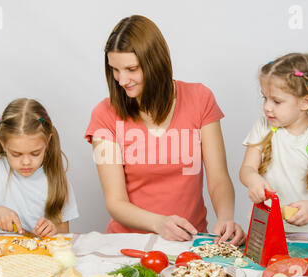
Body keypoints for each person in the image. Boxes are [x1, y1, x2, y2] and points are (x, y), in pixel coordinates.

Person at [85, 15, 245, 244]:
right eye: (115, 70)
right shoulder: (104, 114)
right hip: (128, 244)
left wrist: (226, 218)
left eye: (131, 69)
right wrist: (159, 223)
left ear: (155, 63)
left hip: (190, 240)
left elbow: (219, 178)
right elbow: (115, 202)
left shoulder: (201, 99)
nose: (121, 80)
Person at [239, 53, 308, 238]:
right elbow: (247, 169)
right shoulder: (262, 127)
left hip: (304, 233)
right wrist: (253, 180)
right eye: (264, 98)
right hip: (261, 229)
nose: (267, 107)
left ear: (305, 102)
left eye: (277, 101)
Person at [0, 98, 79, 237]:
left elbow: (64, 232)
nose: (26, 162)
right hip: (0, 253)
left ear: (48, 142)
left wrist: (52, 229)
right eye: (16, 154)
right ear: (3, 144)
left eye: (35, 153)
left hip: (38, 256)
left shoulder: (56, 177)